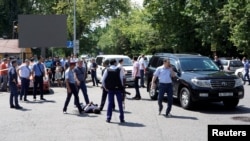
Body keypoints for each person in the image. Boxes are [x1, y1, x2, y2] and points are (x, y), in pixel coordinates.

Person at [102, 59, 125, 123]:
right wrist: (122, 87)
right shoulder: (119, 69)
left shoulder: (107, 70)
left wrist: (105, 87)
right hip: (118, 89)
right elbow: (121, 79)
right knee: (120, 104)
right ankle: (121, 118)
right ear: (115, 63)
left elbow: (103, 80)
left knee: (110, 103)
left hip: (110, 89)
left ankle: (108, 118)